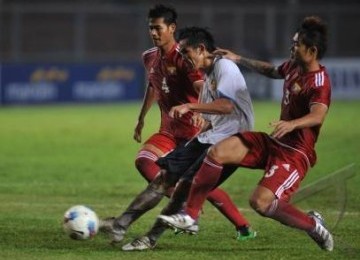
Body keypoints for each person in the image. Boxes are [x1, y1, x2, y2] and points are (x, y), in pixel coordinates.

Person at [160, 16, 334, 251]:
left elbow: (318, 115)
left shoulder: (319, 82)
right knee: (217, 152)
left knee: (260, 203)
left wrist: (293, 124)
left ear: (312, 51)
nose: (291, 47)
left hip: (295, 152)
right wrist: (238, 58)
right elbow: (272, 70)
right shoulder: (294, 66)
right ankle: (190, 217)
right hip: (275, 141)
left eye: (296, 44)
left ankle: (313, 225)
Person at [100, 4, 253, 246]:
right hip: (193, 135)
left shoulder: (222, 68)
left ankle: (159, 233)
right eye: (150, 28)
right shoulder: (157, 58)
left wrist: (192, 108)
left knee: (188, 186)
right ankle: (121, 226)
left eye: (186, 53)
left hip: (224, 142)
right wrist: (141, 118)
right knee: (163, 178)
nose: (183, 58)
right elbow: (155, 85)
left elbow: (225, 105)